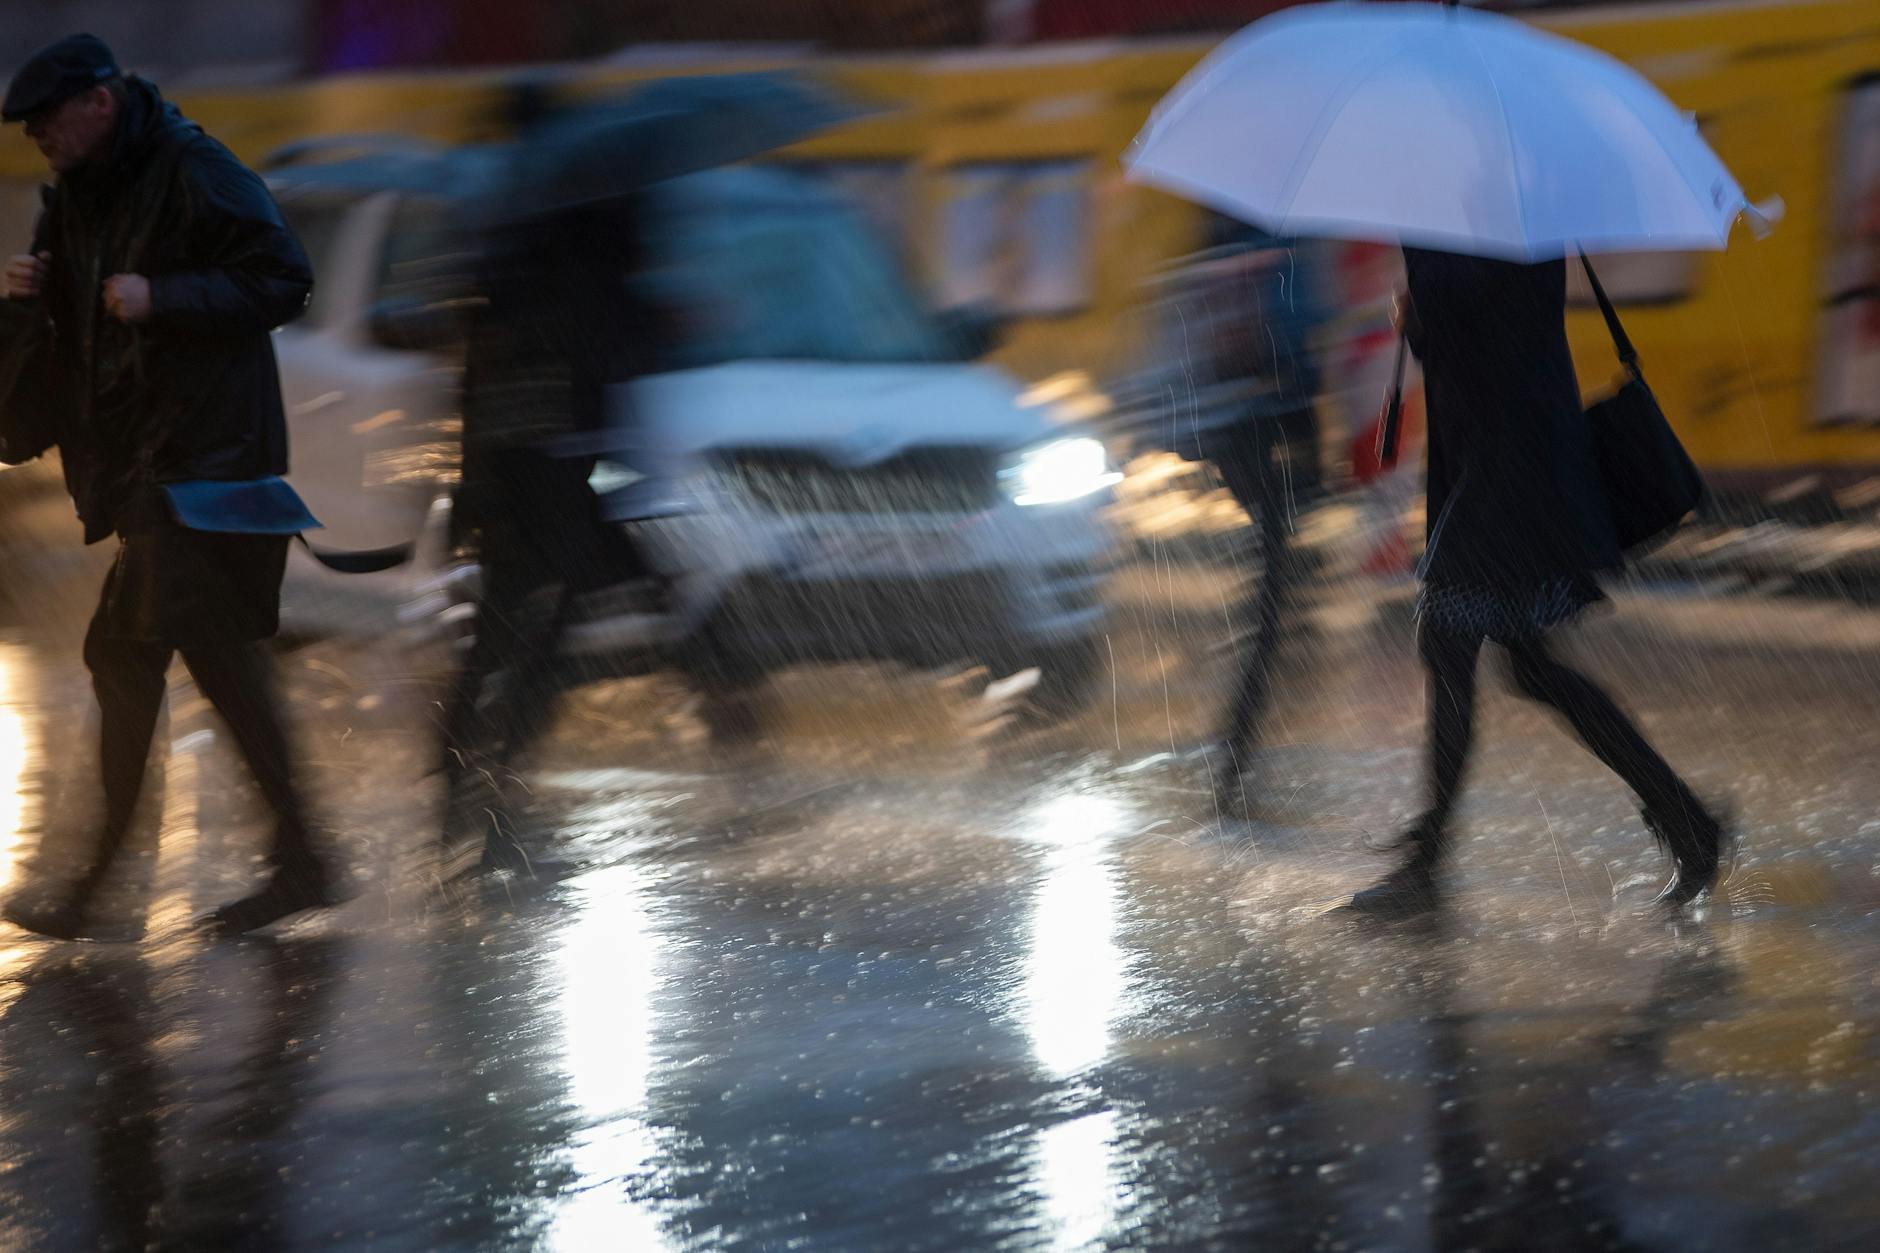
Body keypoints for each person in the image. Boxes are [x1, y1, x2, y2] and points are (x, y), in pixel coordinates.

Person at [0, 35, 338, 938]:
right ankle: (300, 859)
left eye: (45, 118)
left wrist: (169, 296)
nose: (35, 134)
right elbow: (55, 354)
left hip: (205, 465)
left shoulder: (195, 167)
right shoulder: (76, 194)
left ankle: (96, 885)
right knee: (199, 663)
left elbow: (283, 277)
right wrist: (23, 295)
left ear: (100, 105)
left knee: (137, 657)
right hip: (147, 469)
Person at [1348, 247, 1729, 918]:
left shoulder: (1502, 221)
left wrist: (1423, 311)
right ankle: (1688, 819)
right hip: (1499, 462)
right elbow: (1472, 343)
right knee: (1528, 664)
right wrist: (1421, 320)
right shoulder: (1484, 218)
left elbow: (1490, 334)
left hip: (1512, 466)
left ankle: (1428, 864)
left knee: (1449, 637)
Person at [437, 186, 667, 875]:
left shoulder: (509, 265)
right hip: (554, 492)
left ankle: (453, 791)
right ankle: (495, 816)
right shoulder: (593, 279)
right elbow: (603, 379)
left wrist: (467, 495)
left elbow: (474, 386)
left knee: (496, 649)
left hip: (509, 487)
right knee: (534, 663)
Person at [1182, 217, 1328, 812]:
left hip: (1235, 432)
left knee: (1274, 597)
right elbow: (1299, 340)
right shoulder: (1282, 244)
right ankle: (1234, 757)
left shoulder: (1219, 233)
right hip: (1267, 431)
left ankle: (1237, 750)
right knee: (1272, 604)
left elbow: (1196, 338)